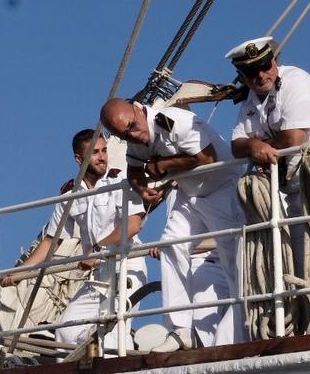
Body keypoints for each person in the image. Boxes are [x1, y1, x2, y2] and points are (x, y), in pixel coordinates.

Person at [100, 97, 242, 348]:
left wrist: (163, 164)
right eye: (125, 135)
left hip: (221, 188)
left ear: (137, 109)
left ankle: (243, 317)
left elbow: (207, 157)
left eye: (133, 126)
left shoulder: (174, 122)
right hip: (190, 193)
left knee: (233, 257)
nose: (134, 135)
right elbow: (134, 170)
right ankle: (180, 329)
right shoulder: (135, 138)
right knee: (171, 245)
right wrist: (142, 190)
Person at [226, 36, 310, 276]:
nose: (261, 76)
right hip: (295, 187)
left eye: (265, 66)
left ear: (274, 62)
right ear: (242, 76)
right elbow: (236, 145)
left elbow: (293, 139)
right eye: (252, 72)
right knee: (305, 264)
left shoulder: (296, 81)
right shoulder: (249, 101)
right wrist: (253, 145)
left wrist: (257, 146)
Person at [2, 128, 146, 352]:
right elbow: (50, 242)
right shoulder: (70, 196)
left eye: (104, 151)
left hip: (126, 266)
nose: (102, 157)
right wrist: (19, 274)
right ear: (79, 159)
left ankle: (117, 361)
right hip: (98, 273)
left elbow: (133, 224)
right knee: (66, 332)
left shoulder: (120, 182)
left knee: (116, 328)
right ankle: (91, 359)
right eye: (95, 152)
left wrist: (97, 249)